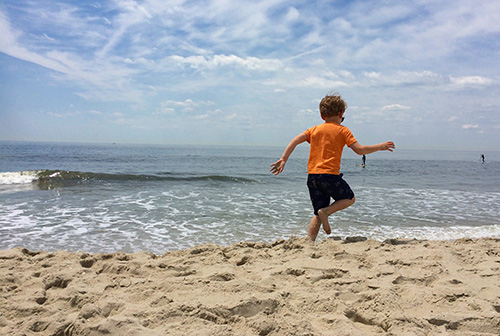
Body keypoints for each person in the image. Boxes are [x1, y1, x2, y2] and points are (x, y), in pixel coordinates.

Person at [270, 93, 395, 242]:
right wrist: (380, 147)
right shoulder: (343, 130)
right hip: (330, 176)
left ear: (322, 116)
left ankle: (309, 242)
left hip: (313, 177)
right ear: (341, 113)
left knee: (317, 213)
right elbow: (360, 150)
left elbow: (295, 140)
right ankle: (327, 212)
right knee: (349, 198)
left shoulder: (314, 130)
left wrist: (283, 158)